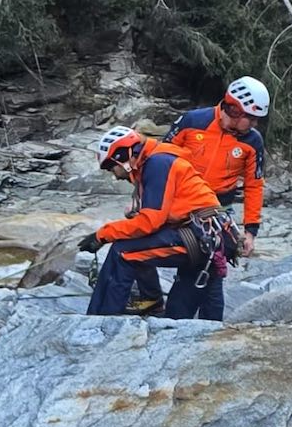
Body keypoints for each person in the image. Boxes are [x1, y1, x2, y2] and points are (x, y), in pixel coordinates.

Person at [129, 76, 271, 317]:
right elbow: (158, 157)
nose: (255, 125)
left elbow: (254, 186)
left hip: (216, 210)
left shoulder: (252, 142)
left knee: (210, 267)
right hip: (177, 199)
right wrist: (140, 196)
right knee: (138, 237)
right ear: (235, 109)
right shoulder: (193, 120)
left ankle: (208, 323)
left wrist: (250, 230)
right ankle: (151, 297)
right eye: (253, 119)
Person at [81, 126, 236, 320]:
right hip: (208, 237)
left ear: (123, 156)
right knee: (176, 315)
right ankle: (158, 306)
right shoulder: (156, 161)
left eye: (111, 167)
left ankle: (100, 321)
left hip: (200, 236)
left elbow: (149, 222)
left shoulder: (157, 163)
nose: (114, 174)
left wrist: (102, 234)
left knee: (123, 252)